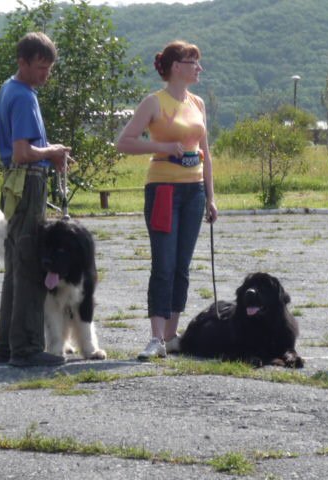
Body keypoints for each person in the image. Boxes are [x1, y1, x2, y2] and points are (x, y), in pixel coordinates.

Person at [117, 40, 218, 360]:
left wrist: (211, 196)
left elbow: (206, 153)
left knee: (182, 267)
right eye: (194, 62)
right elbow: (124, 142)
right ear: (177, 67)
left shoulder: (198, 103)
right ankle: (155, 337)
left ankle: (172, 336)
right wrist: (161, 148)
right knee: (163, 264)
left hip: (194, 192)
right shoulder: (154, 102)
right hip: (163, 190)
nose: (199, 68)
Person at [0, 32, 71, 367]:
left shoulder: (10, 89)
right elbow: (23, 152)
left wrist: (49, 153)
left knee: (15, 264)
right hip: (28, 183)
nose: (45, 75)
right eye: (40, 67)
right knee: (29, 266)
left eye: (49, 68)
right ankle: (25, 347)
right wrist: (51, 151)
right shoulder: (24, 97)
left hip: (16, 183)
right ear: (22, 62)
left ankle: (6, 343)